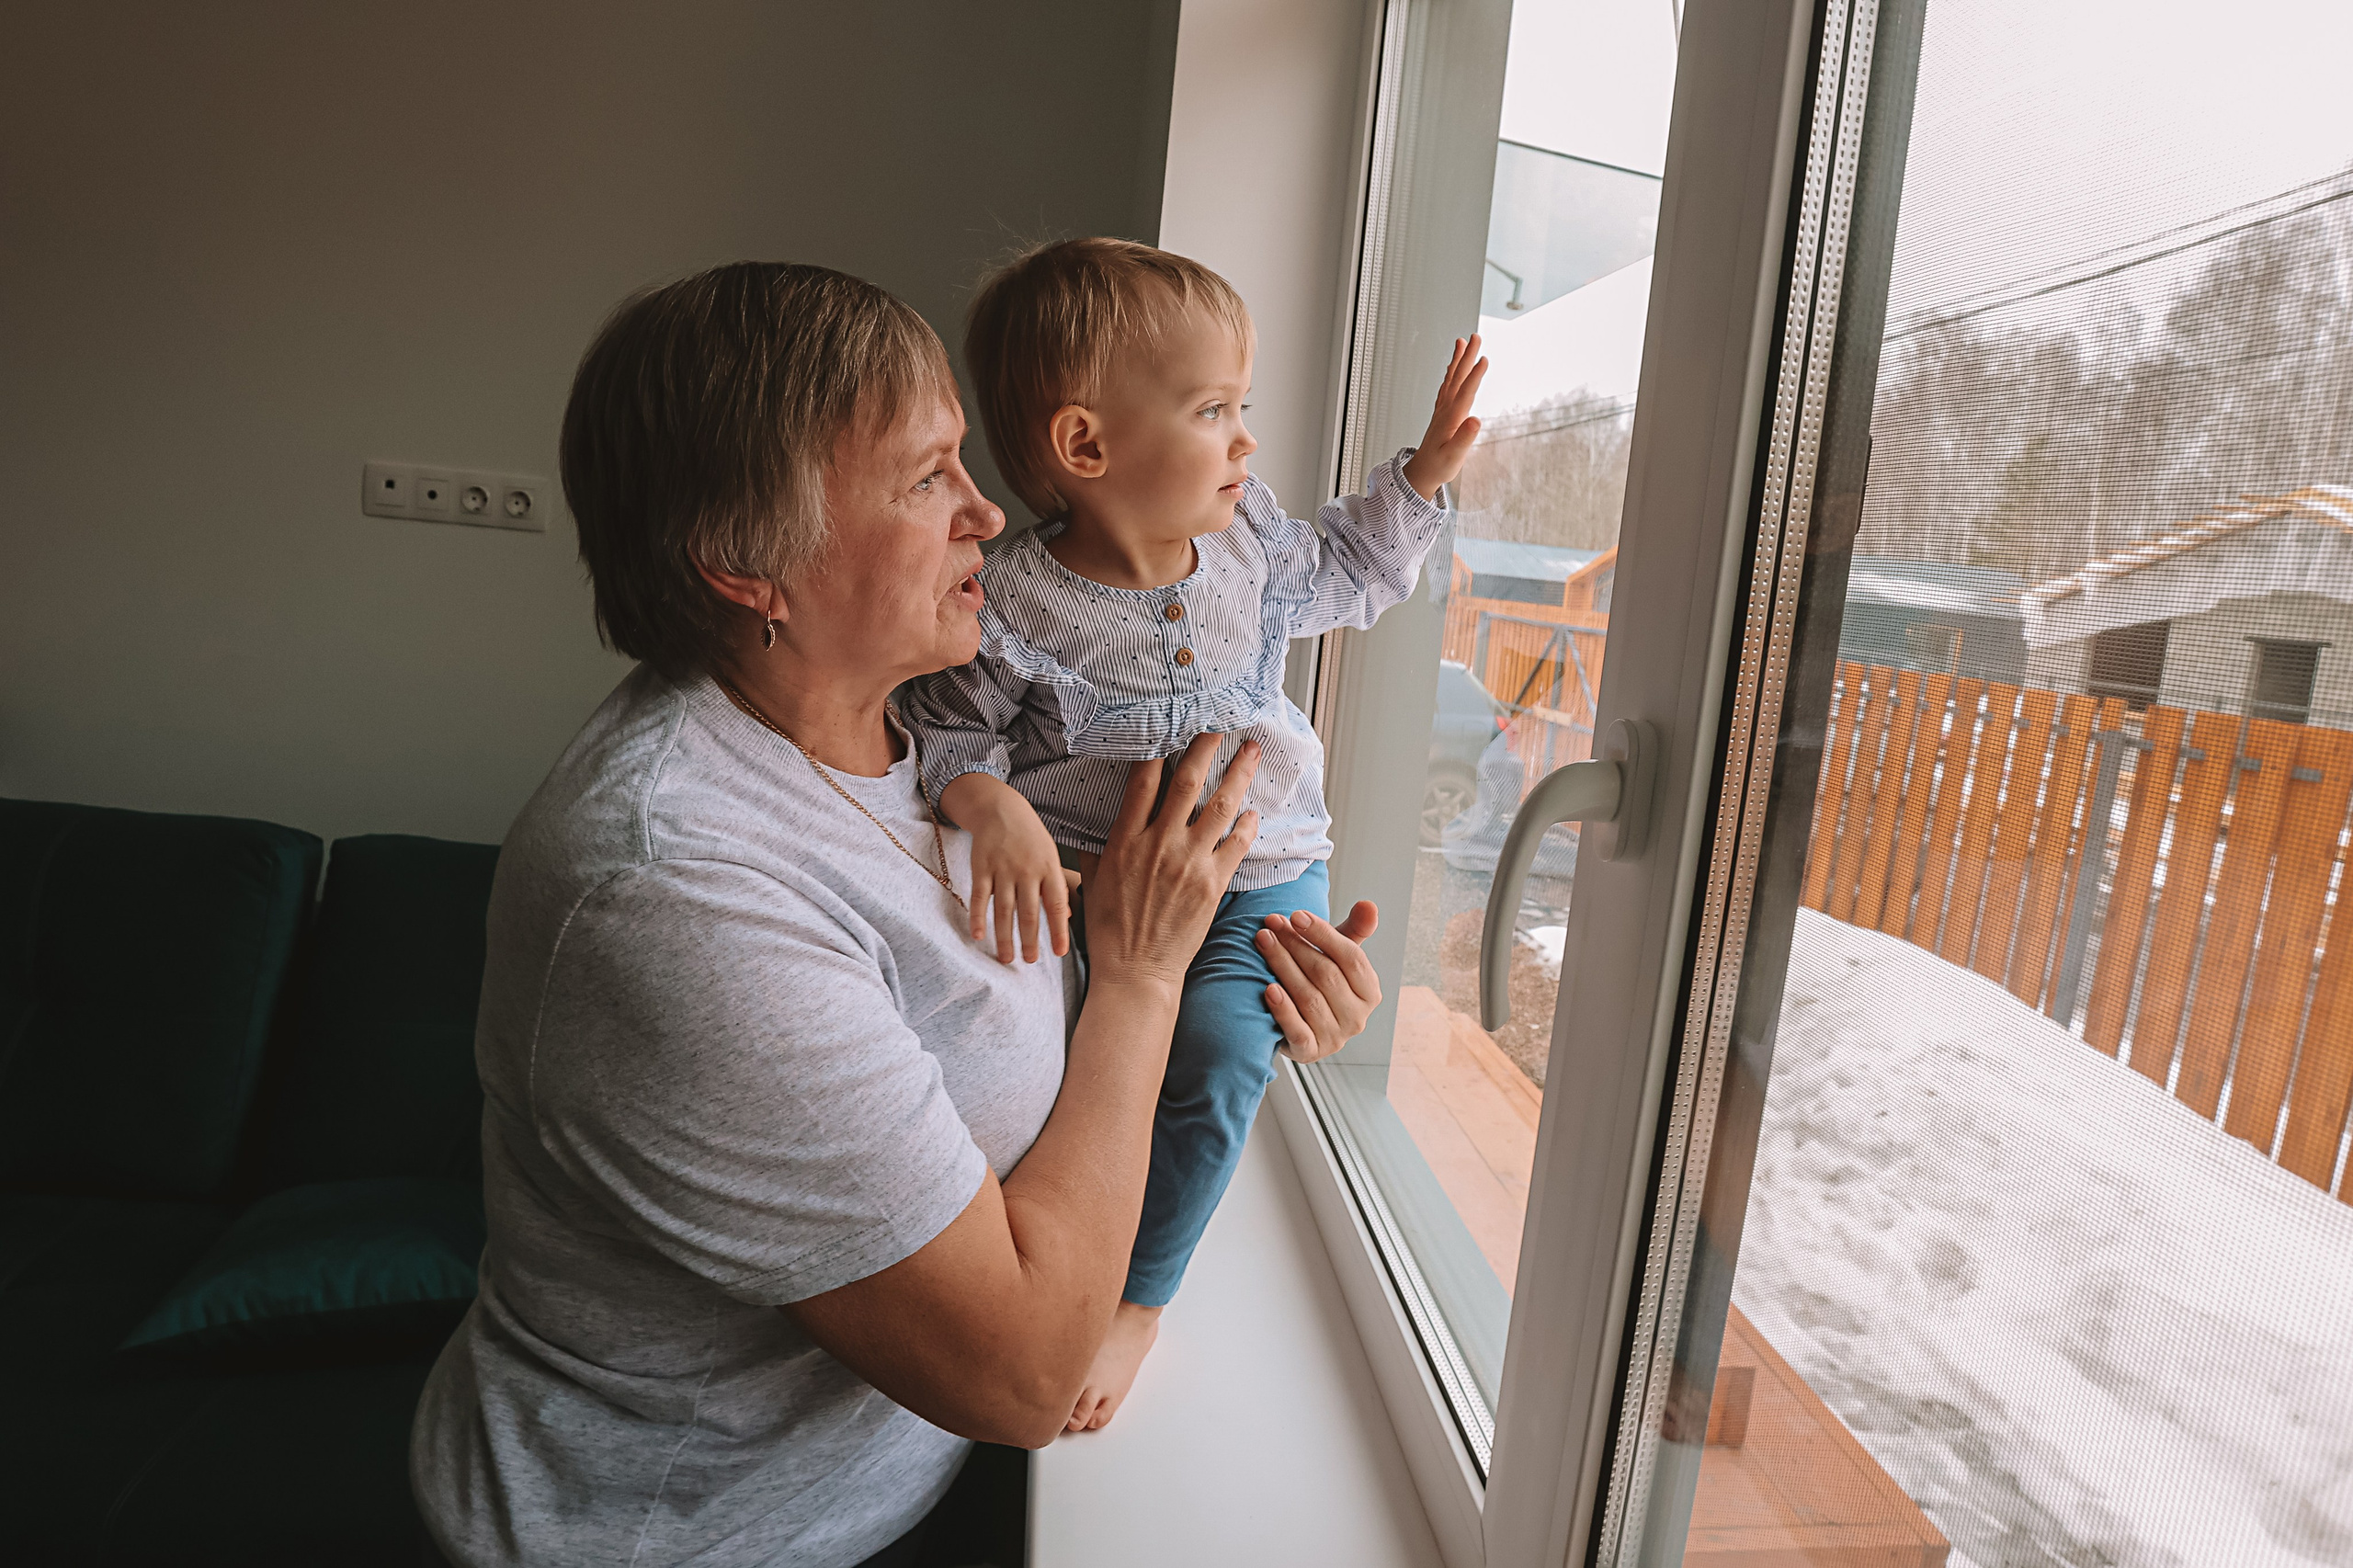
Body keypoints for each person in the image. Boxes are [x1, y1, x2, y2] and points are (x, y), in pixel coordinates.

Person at [408, 261, 1384, 1568]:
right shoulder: (678, 892)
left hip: (893, 1483)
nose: (991, 511)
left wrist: (1251, 980)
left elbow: (1019, 1014)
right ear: (749, 568)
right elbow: (1029, 1378)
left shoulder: (934, 740)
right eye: (927, 480)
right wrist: (1147, 984)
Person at [901, 238, 1485, 1431]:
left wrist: (1421, 477)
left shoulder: (1250, 544)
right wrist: (990, 801)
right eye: (1215, 409)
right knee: (1056, 1072)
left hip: (1261, 866)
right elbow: (949, 733)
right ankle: (1047, 1272)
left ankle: (1139, 1297)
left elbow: (1344, 571)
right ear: (1087, 447)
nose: (1245, 439)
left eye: (1243, 406)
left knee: (1222, 1058)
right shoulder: (1007, 600)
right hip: (1086, 886)